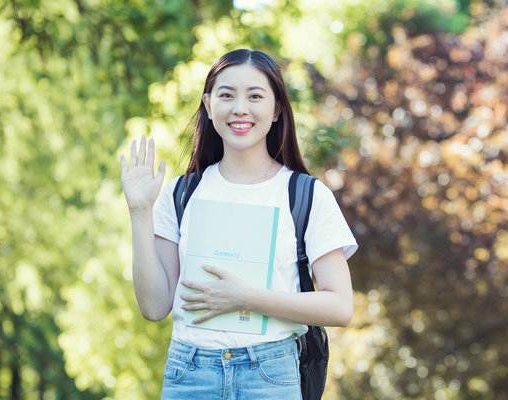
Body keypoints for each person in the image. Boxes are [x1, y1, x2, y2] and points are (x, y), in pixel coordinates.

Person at [120, 49, 358, 400]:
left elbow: (340, 307)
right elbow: (155, 307)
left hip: (270, 373)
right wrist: (140, 211)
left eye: (255, 96)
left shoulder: (305, 195)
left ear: (277, 109)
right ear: (208, 104)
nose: (240, 108)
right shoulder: (180, 194)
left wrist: (246, 298)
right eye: (227, 95)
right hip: (190, 374)